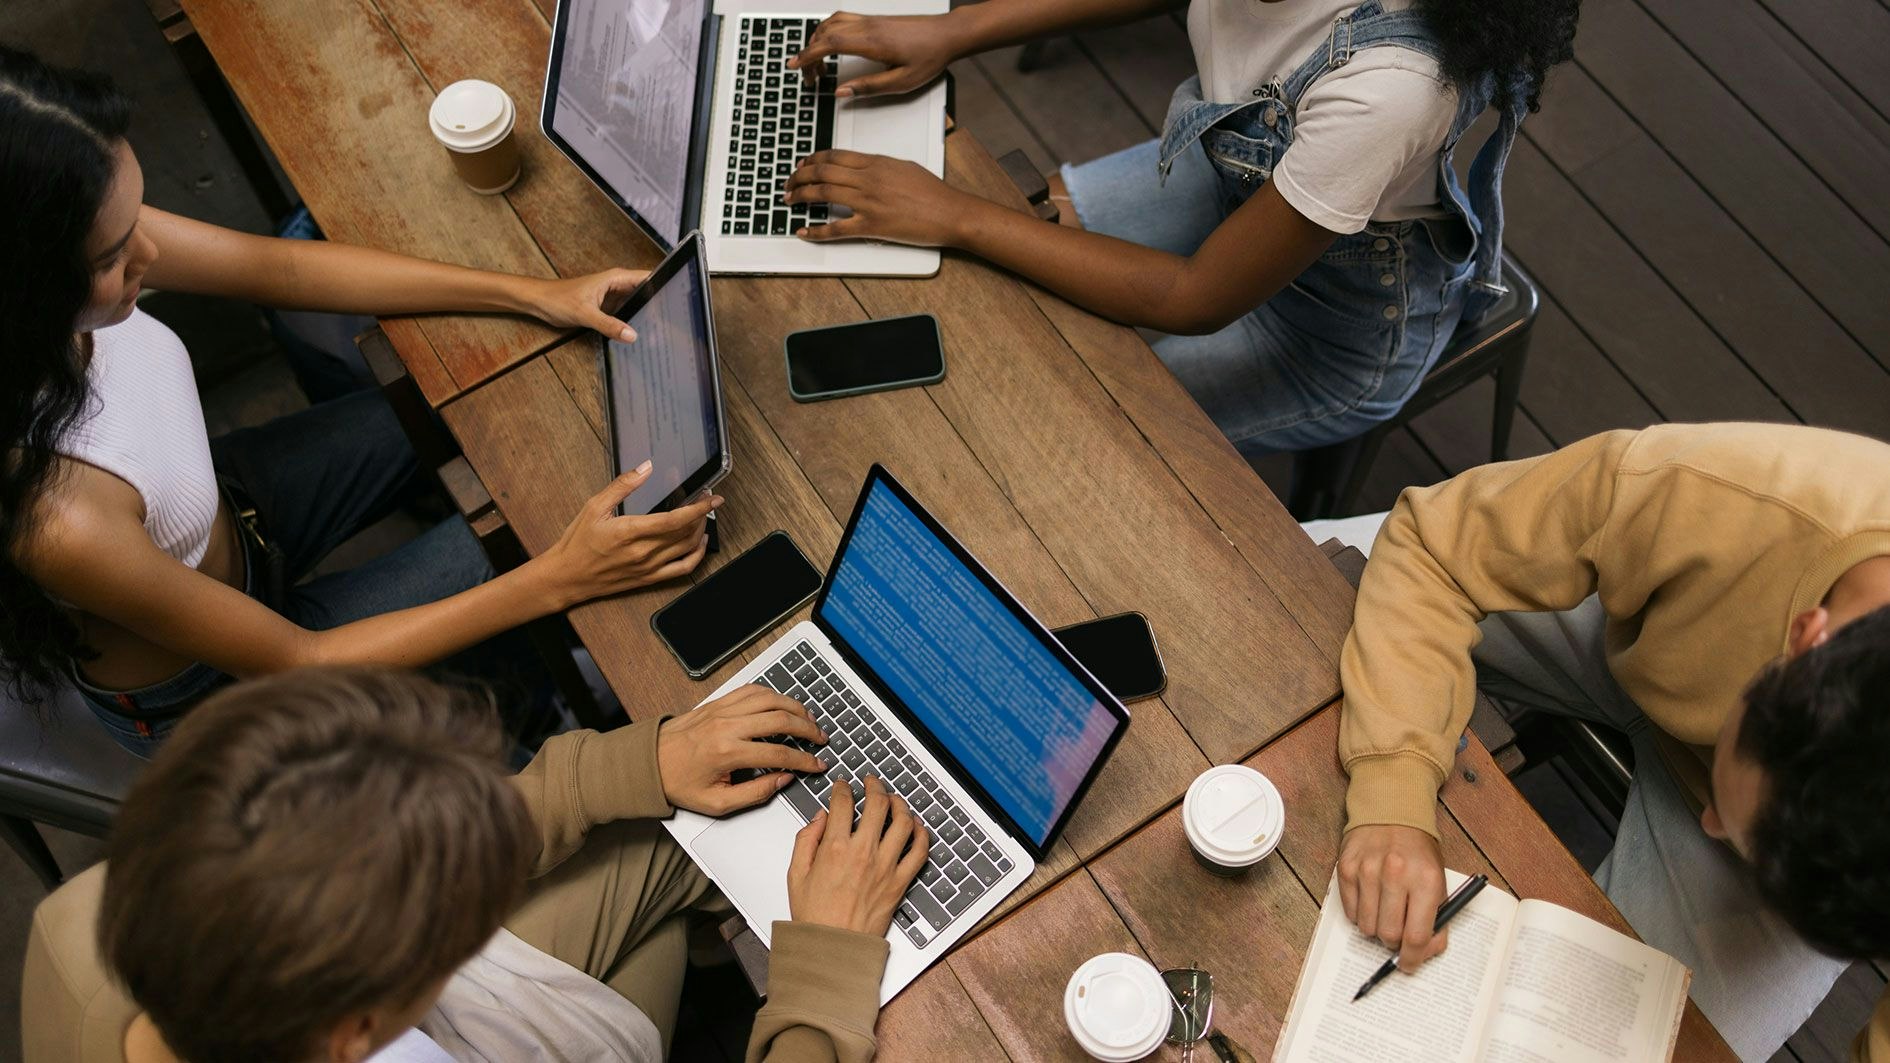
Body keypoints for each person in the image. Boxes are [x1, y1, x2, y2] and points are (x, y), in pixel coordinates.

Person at [0, 46, 718, 754]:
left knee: (482, 410)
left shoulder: (80, 234)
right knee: (540, 528)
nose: (148, 256)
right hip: (228, 689)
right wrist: (562, 575)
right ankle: (532, 701)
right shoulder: (59, 520)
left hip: (226, 512)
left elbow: (275, 265)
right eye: (112, 257)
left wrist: (532, 295)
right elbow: (301, 658)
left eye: (136, 224)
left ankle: (519, 650)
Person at [778, 0, 1578, 453]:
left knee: (1066, 425)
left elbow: (1194, 298)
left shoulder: (1393, 86)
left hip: (1325, 329)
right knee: (1010, 266)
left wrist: (957, 215)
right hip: (1239, 174)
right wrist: (955, 31)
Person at [1331, 422, 1890, 1060]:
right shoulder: (1733, 495)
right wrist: (1393, 793)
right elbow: (1434, 548)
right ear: (1804, 637)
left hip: (1800, 866)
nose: (1707, 818)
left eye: (1744, 836)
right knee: (1298, 573)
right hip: (1626, 618)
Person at [23, 667, 924, 1062]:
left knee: (688, 823)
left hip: (481, 1020)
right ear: (357, 1028)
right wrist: (818, 979)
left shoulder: (86, 921)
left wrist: (632, 767)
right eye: (455, 912)